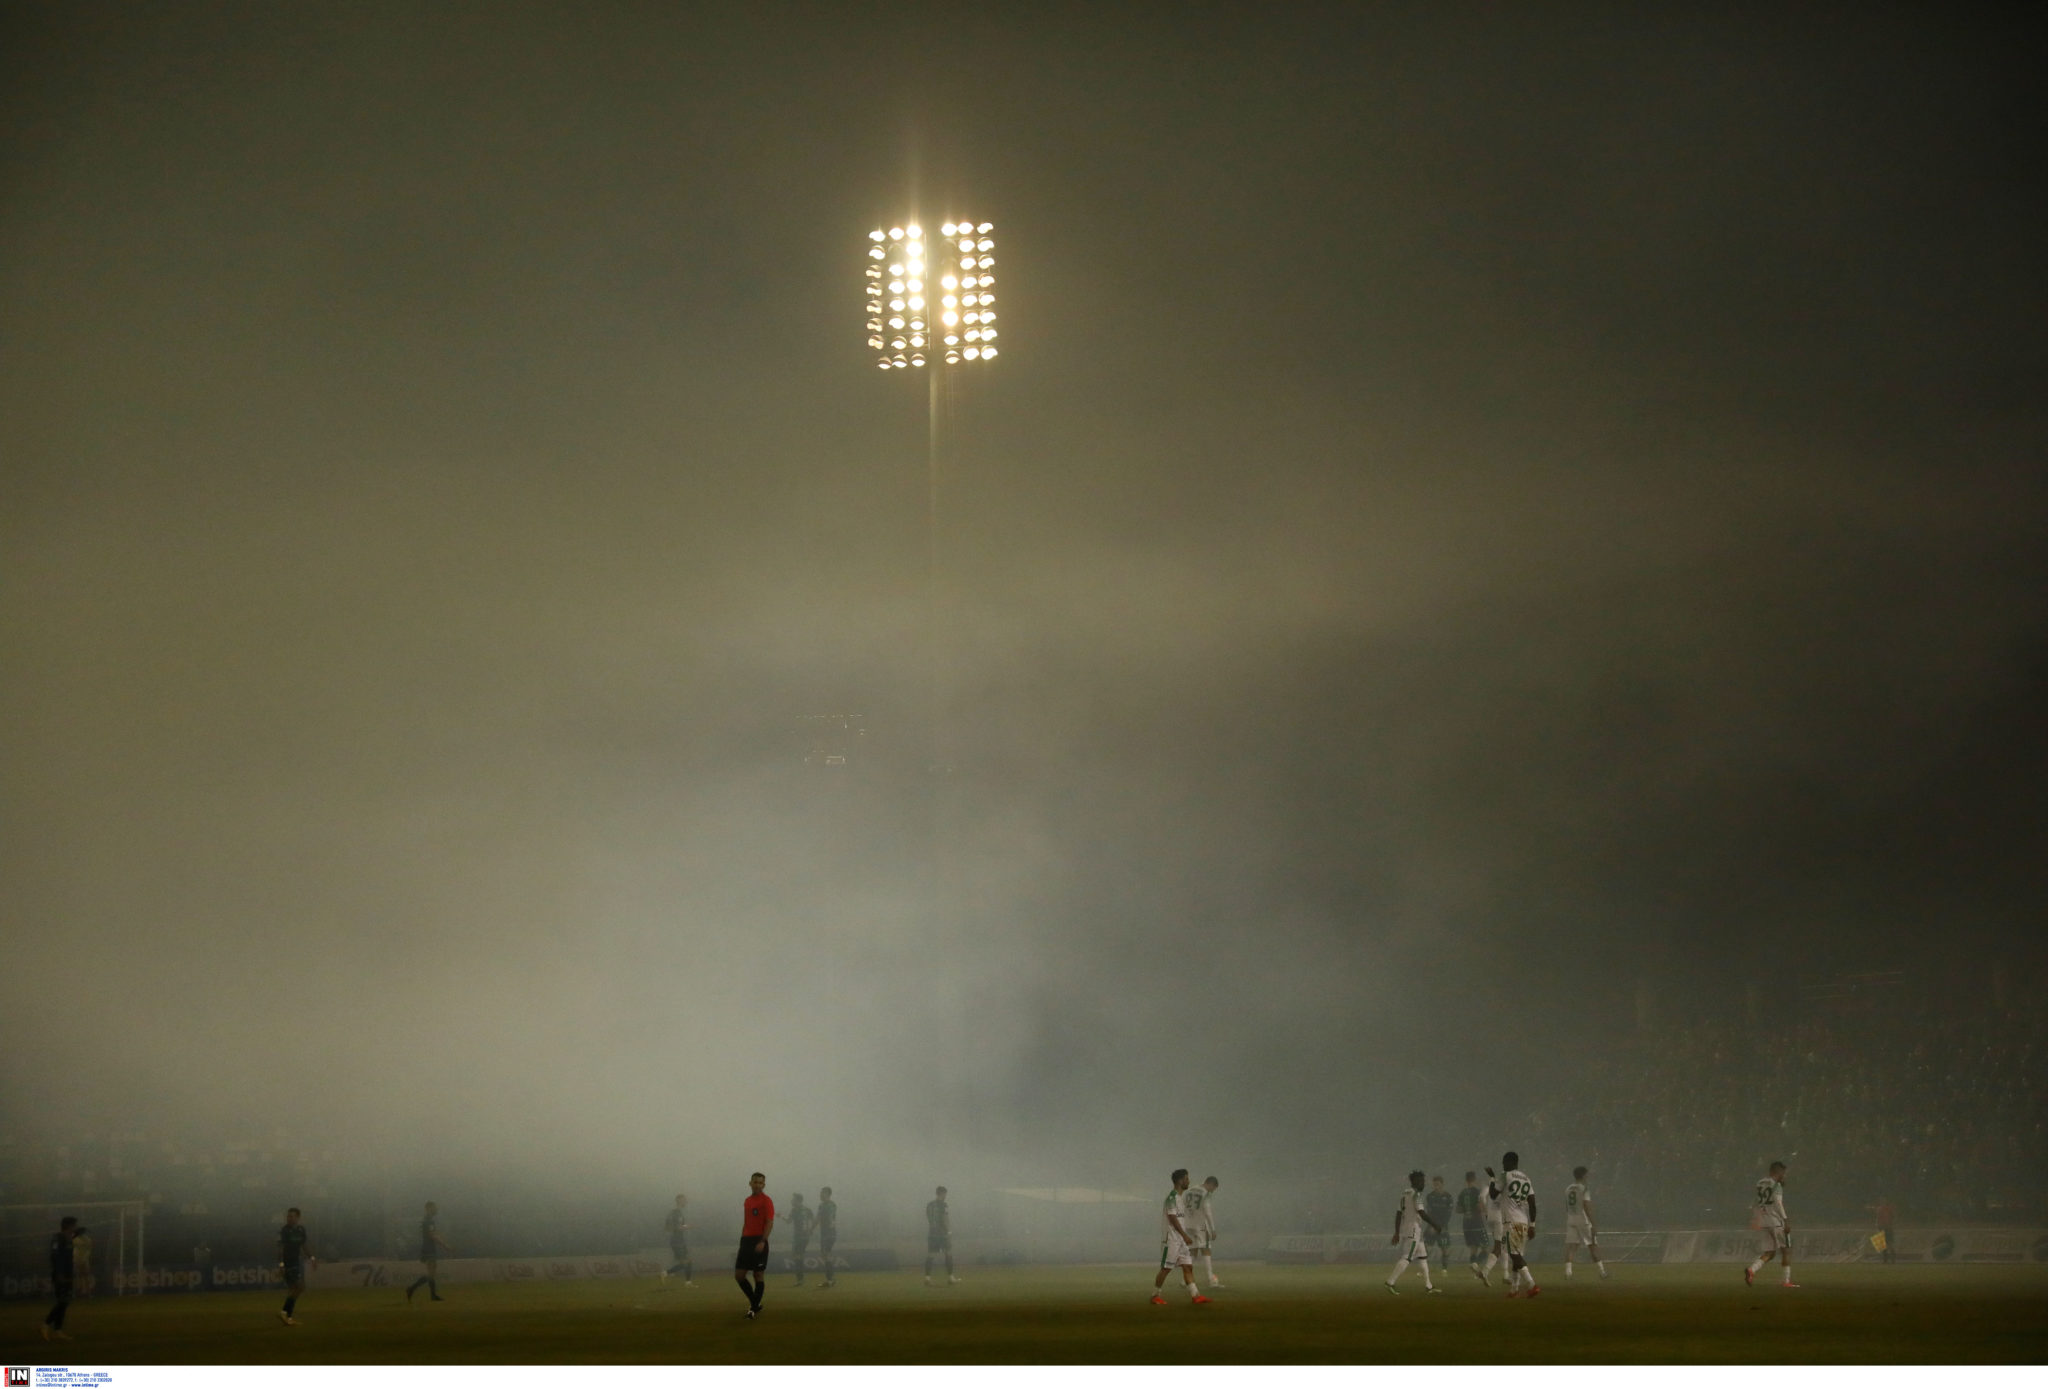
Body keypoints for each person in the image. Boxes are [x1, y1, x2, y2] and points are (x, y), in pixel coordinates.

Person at [1150, 1169, 1213, 1306]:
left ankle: (1196, 1296)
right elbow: (1172, 1218)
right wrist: (1184, 1235)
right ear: (1180, 1181)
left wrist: (1185, 1234)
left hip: (1181, 1240)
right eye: (1186, 1179)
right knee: (1166, 1268)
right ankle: (1155, 1295)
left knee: (1188, 1267)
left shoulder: (1180, 1198)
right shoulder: (1171, 1198)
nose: (1188, 1181)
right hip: (1171, 1239)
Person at [1384, 1170, 1442, 1294]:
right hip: (1413, 1230)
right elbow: (1422, 1213)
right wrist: (1435, 1225)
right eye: (1422, 1181)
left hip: (1408, 1229)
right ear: (1416, 1182)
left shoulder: (1404, 1194)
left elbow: (1399, 1214)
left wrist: (1396, 1232)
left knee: (1422, 1257)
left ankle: (1428, 1286)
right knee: (1407, 1257)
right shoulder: (1417, 1195)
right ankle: (1390, 1282)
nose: (1424, 1184)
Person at [1745, 1161, 1797, 1288]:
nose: (1784, 1176)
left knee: (1770, 1252)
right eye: (1783, 1173)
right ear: (1778, 1172)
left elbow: (1760, 1199)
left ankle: (1752, 1270)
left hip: (1764, 1221)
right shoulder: (1776, 1185)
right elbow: (1778, 1203)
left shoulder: (1760, 1182)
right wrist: (1785, 1220)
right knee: (1786, 1251)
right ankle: (1786, 1281)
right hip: (1776, 1221)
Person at [1497, 1152, 1540, 1298]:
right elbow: (1533, 1203)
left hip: (1511, 1221)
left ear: (1510, 1162)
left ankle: (1532, 1284)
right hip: (1524, 1221)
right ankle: (1514, 1290)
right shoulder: (1526, 1179)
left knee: (1514, 1255)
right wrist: (1533, 1224)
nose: (1503, 1165)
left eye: (1504, 1162)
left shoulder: (1505, 1175)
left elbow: (1492, 1194)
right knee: (1518, 1254)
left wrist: (1492, 1178)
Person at [735, 1172, 775, 1319]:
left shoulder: (767, 1201)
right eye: (755, 1182)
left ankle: (752, 1309)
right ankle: (755, 1303)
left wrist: (762, 1241)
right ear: (750, 1183)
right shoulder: (747, 1201)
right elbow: (746, 1222)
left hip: (759, 1240)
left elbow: (769, 1222)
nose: (757, 1185)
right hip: (746, 1241)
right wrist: (742, 1239)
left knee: (758, 1274)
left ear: (763, 1185)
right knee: (739, 1276)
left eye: (760, 1183)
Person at [1563, 1167, 1610, 1280]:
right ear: (1583, 1176)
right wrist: (1593, 1224)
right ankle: (1602, 1272)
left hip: (1571, 1218)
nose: (1588, 1177)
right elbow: (1587, 1206)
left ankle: (1568, 1272)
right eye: (1587, 1175)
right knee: (1592, 1245)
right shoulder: (1584, 1189)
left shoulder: (1568, 1188)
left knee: (1572, 1246)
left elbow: (1566, 1206)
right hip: (1582, 1219)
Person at [42, 1217, 82, 1341]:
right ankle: (45, 1325)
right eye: (74, 1225)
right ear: (69, 1226)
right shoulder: (58, 1238)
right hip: (61, 1275)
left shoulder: (68, 1238)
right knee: (63, 1301)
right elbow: (55, 1256)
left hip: (68, 1274)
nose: (75, 1228)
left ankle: (58, 1330)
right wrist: (59, 1274)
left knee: (65, 1302)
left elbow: (68, 1247)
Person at [406, 1201, 452, 1302]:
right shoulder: (429, 1221)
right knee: (431, 1273)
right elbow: (432, 1235)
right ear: (428, 1208)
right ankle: (412, 1289)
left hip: (427, 1248)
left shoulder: (427, 1220)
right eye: (434, 1207)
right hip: (429, 1249)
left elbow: (431, 1234)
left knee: (431, 1273)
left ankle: (432, 1295)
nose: (436, 1209)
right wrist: (444, 1245)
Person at [277, 1206, 316, 1324]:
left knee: (294, 1289)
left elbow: (304, 1245)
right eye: (288, 1216)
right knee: (300, 1287)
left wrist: (312, 1257)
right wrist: (281, 1264)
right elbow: (280, 1248)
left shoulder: (301, 1230)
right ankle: (284, 1312)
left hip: (296, 1262)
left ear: (298, 1218)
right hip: (289, 1263)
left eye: (291, 1216)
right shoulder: (284, 1230)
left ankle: (288, 1317)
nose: (289, 1218)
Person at [1185, 1176, 1222, 1287]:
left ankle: (1185, 1280)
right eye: (1213, 1188)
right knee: (1206, 1249)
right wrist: (1212, 1229)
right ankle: (1211, 1279)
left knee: (1193, 1252)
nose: (1213, 1191)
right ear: (1211, 1184)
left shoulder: (1190, 1190)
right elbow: (1207, 1211)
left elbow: (1183, 1206)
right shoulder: (1205, 1193)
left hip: (1188, 1224)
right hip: (1200, 1224)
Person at [1473, 1165, 1506, 1285]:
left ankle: (1487, 1271)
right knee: (1500, 1247)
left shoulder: (1491, 1185)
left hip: (1490, 1217)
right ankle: (1486, 1271)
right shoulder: (1504, 1187)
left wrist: (1486, 1212)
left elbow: (1481, 1196)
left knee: (1500, 1246)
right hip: (1499, 1218)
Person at [925, 1186, 960, 1285]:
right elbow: (945, 1218)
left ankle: (927, 1278)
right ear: (942, 1193)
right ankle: (950, 1278)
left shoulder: (929, 1205)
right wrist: (948, 1231)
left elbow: (929, 1218)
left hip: (932, 1233)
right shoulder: (944, 1205)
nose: (946, 1196)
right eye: (945, 1194)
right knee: (948, 1253)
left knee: (930, 1255)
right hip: (942, 1234)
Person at [660, 1193, 693, 1286]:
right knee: (686, 1262)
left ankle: (687, 1282)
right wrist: (686, 1226)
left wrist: (682, 1227)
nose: (686, 1201)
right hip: (677, 1241)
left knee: (688, 1261)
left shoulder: (676, 1213)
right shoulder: (676, 1213)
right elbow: (673, 1227)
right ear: (679, 1201)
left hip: (680, 1240)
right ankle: (666, 1273)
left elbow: (668, 1226)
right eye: (684, 1200)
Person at [1457, 1171, 1486, 1270]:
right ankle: (1475, 1264)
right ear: (1474, 1179)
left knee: (1473, 1248)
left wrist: (1467, 1209)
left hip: (1466, 1224)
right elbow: (1480, 1207)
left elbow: (1458, 1209)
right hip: (1476, 1223)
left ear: (1466, 1180)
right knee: (1485, 1248)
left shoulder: (1462, 1193)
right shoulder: (1477, 1192)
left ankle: (1473, 1266)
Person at [1425, 1176, 1455, 1270]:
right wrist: (1432, 1226)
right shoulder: (1430, 1197)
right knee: (1427, 1248)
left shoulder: (1448, 1197)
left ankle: (1444, 1269)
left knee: (1445, 1248)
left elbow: (1448, 1214)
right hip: (1432, 1226)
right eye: (1434, 1185)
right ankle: (1424, 1268)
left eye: (1437, 1184)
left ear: (1442, 1184)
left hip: (1443, 1226)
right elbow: (1429, 1213)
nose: (1436, 1186)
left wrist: (1442, 1226)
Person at [787, 1192, 815, 1285]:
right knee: (799, 1256)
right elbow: (813, 1221)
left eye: (793, 1199)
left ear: (797, 1200)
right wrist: (810, 1230)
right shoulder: (807, 1209)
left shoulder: (794, 1210)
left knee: (796, 1256)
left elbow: (788, 1221)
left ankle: (800, 1279)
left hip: (798, 1237)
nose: (791, 1201)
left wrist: (780, 1216)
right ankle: (801, 1278)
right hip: (806, 1237)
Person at [816, 1187, 839, 1288]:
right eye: (820, 1192)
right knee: (825, 1255)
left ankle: (830, 1280)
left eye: (822, 1193)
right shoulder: (822, 1205)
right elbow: (818, 1218)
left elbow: (830, 1217)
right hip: (825, 1233)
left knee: (826, 1254)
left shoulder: (830, 1205)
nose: (820, 1194)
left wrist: (830, 1226)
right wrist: (811, 1228)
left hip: (829, 1233)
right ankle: (830, 1279)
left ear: (828, 1194)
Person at [1873, 1196, 1897, 1265]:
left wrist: (1890, 1224)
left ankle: (1891, 1259)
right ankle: (1886, 1260)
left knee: (1889, 1244)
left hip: (1887, 1228)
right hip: (1883, 1228)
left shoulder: (1887, 1209)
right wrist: (1878, 1226)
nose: (1882, 1202)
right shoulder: (1880, 1209)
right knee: (1884, 1244)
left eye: (1883, 1200)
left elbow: (1893, 1217)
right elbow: (1878, 1219)